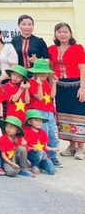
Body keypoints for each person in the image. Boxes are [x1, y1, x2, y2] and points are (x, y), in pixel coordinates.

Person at [48, 22, 85, 160]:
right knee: (64, 116)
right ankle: (72, 145)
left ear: (70, 34)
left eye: (65, 32)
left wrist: (83, 87)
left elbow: (83, 68)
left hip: (75, 85)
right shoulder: (51, 49)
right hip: (60, 86)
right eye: (59, 32)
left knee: (79, 114)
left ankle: (81, 147)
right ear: (55, 34)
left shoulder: (77, 48)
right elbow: (50, 68)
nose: (62, 34)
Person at [27, 58, 62, 165]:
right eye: (41, 74)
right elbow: (39, 97)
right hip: (39, 112)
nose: (44, 77)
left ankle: (53, 156)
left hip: (49, 111)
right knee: (44, 133)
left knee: (53, 134)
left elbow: (52, 96)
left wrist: (54, 83)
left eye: (46, 74)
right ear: (35, 73)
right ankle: (44, 156)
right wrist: (39, 85)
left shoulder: (45, 82)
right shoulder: (32, 82)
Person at [24, 109, 57, 175]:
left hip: (42, 155)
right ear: (30, 122)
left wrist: (53, 149)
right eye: (36, 120)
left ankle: (38, 165)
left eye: (40, 120)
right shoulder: (25, 131)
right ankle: (34, 165)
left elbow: (45, 146)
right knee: (40, 153)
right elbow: (22, 146)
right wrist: (32, 148)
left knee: (52, 170)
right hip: (31, 154)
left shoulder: (43, 133)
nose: (39, 122)